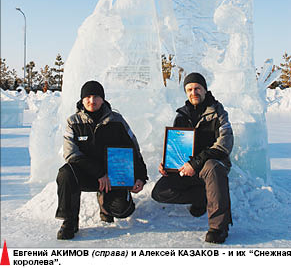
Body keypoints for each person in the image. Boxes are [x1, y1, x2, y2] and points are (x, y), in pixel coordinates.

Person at [55, 80, 148, 240]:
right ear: (82, 100)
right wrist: (98, 173)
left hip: (112, 176)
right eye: (88, 97)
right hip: (87, 174)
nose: (92, 101)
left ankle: (105, 203)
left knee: (123, 211)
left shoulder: (117, 120)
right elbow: (71, 154)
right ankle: (69, 221)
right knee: (66, 173)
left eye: (96, 96)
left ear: (103, 99)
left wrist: (140, 175)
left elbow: (133, 148)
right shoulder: (73, 122)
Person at [151, 72, 233, 244]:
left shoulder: (218, 113)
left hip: (211, 164)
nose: (193, 92)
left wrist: (195, 163)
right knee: (160, 192)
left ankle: (219, 227)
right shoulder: (181, 115)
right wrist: (168, 163)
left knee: (212, 166)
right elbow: (176, 145)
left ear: (204, 90)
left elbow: (224, 145)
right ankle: (202, 198)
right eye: (189, 89)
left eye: (197, 88)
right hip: (187, 165)